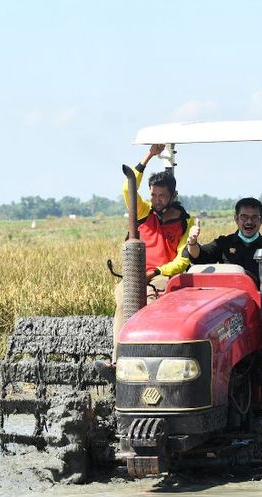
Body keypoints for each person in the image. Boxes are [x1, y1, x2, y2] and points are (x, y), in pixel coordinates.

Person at [97, 144, 194, 383]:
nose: (157, 200)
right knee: (126, 300)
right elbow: (126, 189)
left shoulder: (186, 222)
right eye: (153, 194)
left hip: (165, 276)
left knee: (149, 303)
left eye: (162, 196)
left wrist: (158, 272)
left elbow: (183, 259)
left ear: (172, 196)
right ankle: (119, 361)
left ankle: (152, 358)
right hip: (136, 275)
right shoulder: (142, 212)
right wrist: (148, 156)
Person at [183, 197, 262, 288]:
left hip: (261, 302)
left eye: (254, 217)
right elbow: (200, 256)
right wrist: (192, 242)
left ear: (261, 220)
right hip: (229, 301)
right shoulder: (224, 243)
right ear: (236, 219)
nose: (249, 221)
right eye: (244, 217)